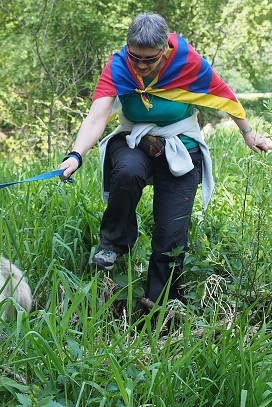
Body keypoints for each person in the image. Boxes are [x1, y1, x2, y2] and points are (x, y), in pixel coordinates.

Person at [58, 13, 270, 305]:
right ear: (127, 47)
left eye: (150, 60)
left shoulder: (188, 62)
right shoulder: (119, 65)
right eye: (136, 58)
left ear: (165, 50)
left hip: (181, 143)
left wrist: (248, 134)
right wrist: (75, 155)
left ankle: (160, 305)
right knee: (127, 171)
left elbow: (223, 95)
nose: (142, 66)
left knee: (171, 232)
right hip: (134, 138)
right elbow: (97, 115)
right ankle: (114, 243)